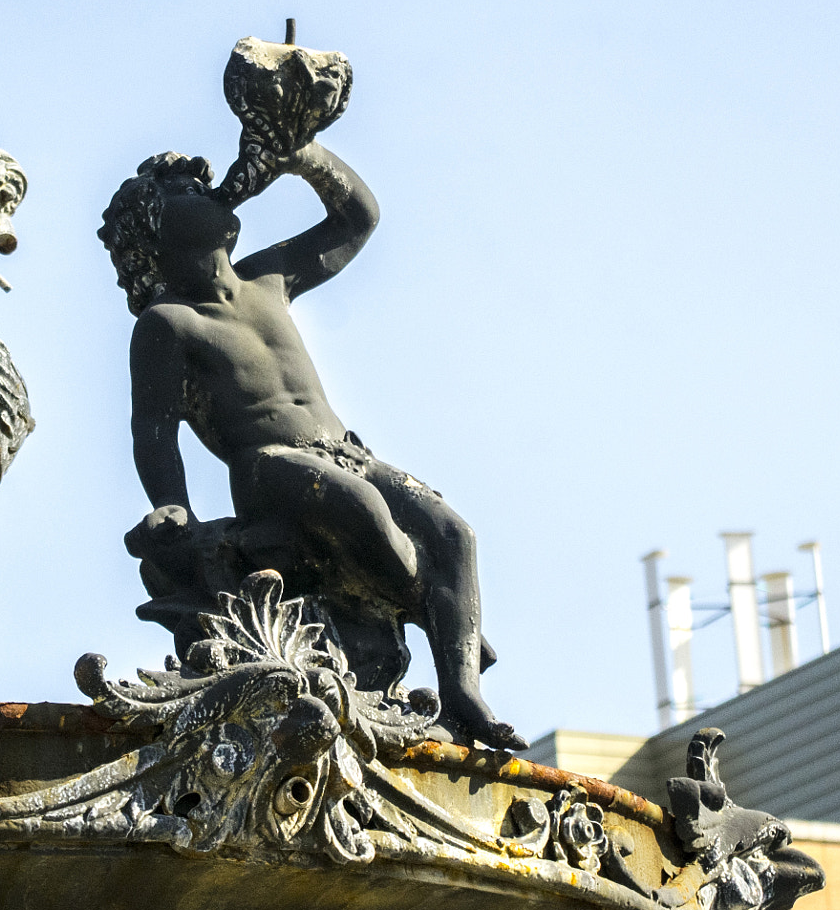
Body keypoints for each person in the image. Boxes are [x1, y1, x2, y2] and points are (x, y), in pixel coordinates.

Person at [97, 145, 524, 750]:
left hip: (346, 449)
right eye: (189, 190)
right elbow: (153, 430)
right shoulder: (168, 322)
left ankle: (461, 693)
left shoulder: (268, 278)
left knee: (455, 533)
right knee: (363, 511)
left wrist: (302, 155)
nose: (214, 188)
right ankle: (431, 607)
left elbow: (357, 219)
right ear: (156, 229)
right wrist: (171, 501)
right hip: (269, 467)